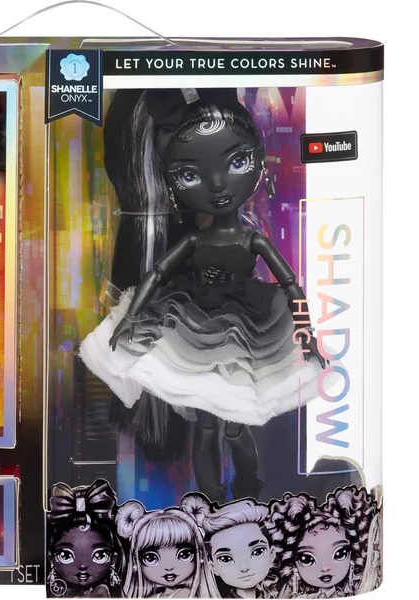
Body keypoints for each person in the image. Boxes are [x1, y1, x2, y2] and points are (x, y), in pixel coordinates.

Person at [81, 87, 327, 503]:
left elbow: (290, 285)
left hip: (247, 328)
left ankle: (246, 492)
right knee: (207, 425)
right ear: (172, 180)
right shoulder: (194, 240)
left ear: (257, 162)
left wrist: (307, 334)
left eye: (237, 162)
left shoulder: (252, 240)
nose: (217, 185)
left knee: (234, 424)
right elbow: (157, 275)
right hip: (195, 326)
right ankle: (212, 500)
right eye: (190, 174)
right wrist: (130, 319)